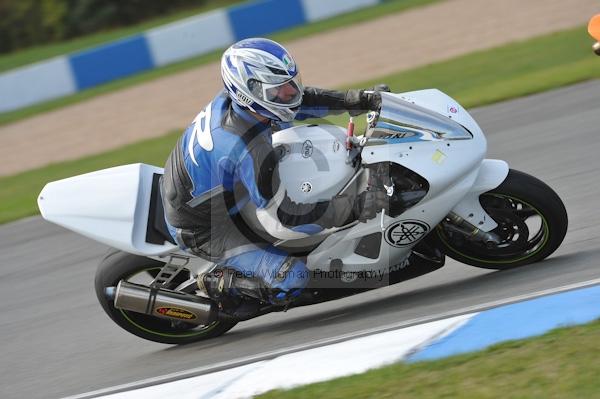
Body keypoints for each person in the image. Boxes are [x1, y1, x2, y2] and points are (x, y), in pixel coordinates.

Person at [161, 38, 388, 314]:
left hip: (206, 188)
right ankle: (217, 283)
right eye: (279, 90)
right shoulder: (249, 149)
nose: (290, 93)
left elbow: (305, 101)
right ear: (249, 91)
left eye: (290, 83)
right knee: (293, 278)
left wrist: (361, 100)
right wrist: (355, 207)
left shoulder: (245, 105)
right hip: (206, 226)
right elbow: (287, 217)